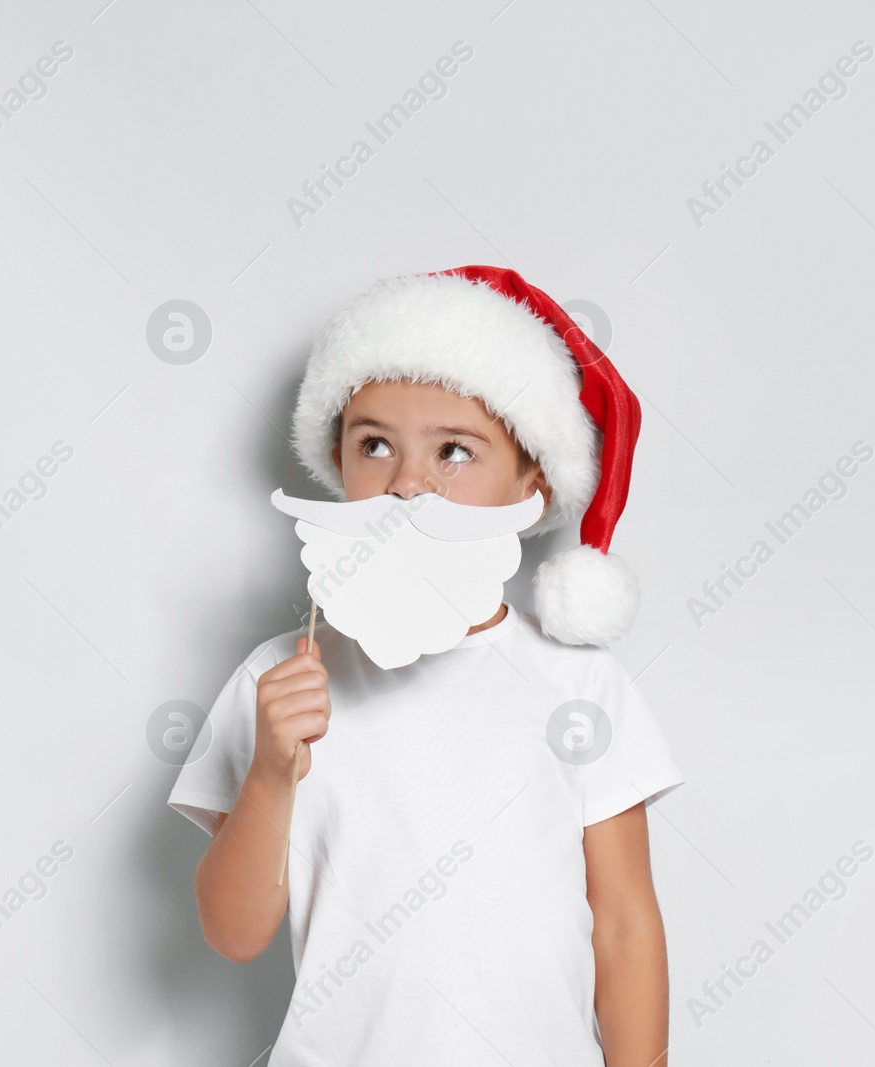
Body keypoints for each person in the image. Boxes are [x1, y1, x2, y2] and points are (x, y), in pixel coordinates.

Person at [167, 265, 686, 1065]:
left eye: (454, 450)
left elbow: (623, 920)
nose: (407, 483)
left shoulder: (580, 683)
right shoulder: (280, 678)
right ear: (337, 463)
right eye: (375, 443)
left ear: (533, 483)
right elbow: (234, 934)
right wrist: (271, 771)